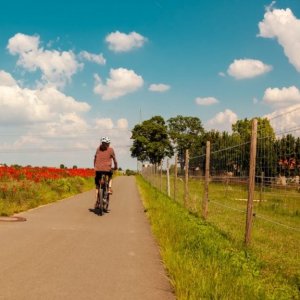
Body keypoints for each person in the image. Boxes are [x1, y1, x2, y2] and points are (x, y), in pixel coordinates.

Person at [94, 136, 118, 208]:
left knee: (97, 186)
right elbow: (114, 160)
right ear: (108, 144)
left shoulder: (98, 149)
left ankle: (97, 201)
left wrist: (95, 167)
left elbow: (95, 159)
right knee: (110, 176)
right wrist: (116, 167)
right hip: (107, 169)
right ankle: (109, 188)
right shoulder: (111, 150)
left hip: (98, 169)